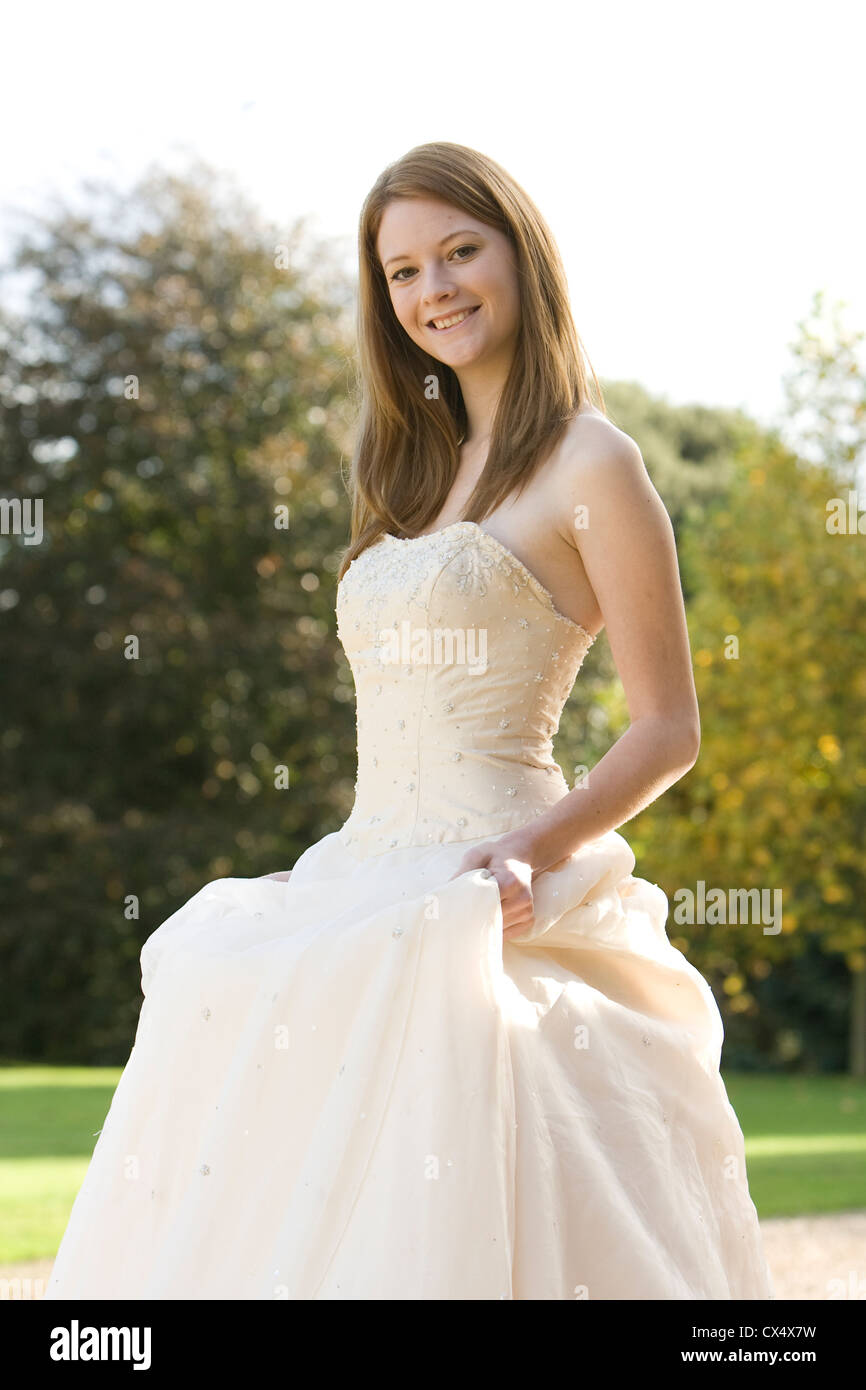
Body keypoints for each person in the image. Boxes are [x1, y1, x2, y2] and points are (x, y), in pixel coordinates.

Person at [44, 141, 774, 1300]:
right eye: (400, 272)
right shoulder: (408, 471)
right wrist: (332, 870)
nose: (431, 288)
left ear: (519, 255)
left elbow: (666, 727)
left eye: (457, 251)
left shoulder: (596, 462)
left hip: (502, 879)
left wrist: (529, 854)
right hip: (366, 866)